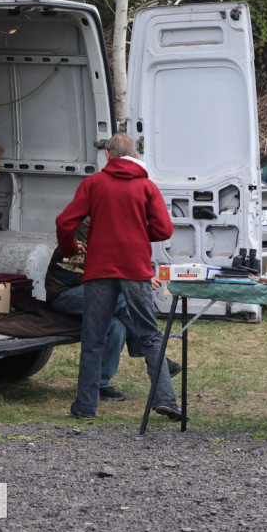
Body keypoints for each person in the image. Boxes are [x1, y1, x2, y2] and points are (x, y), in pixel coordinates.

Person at [56, 133, 183, 420]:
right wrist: (138, 235)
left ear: (108, 155)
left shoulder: (93, 184)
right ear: (134, 157)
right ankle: (165, 400)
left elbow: (65, 222)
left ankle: (85, 407)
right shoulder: (147, 186)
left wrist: (69, 248)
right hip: (135, 269)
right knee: (150, 334)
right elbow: (164, 230)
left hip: (99, 269)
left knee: (94, 337)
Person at [44, 225, 181, 402]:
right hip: (65, 293)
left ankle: (101, 384)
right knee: (123, 302)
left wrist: (140, 274)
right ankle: (155, 356)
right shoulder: (89, 225)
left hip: (87, 289)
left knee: (117, 326)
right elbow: (109, 262)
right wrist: (140, 276)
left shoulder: (106, 221)